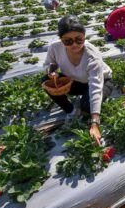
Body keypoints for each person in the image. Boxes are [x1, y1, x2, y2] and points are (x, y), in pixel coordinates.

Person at [42, 15, 114, 146]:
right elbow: (48, 63)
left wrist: (95, 122)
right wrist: (52, 70)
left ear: (84, 36)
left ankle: (87, 104)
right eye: (68, 41)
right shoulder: (55, 47)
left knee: (87, 106)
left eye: (79, 39)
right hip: (76, 81)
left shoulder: (92, 56)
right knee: (46, 80)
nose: (74, 44)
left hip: (103, 81)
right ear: (61, 39)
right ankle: (70, 110)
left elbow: (95, 88)